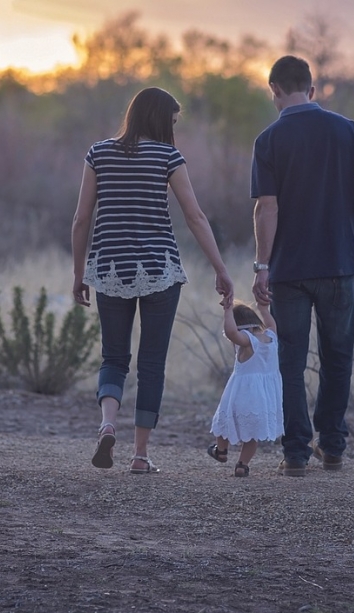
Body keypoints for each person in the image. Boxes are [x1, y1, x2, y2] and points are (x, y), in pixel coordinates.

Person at [71, 87, 234, 474]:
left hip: (109, 268)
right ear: (161, 119)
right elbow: (195, 217)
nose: (174, 129)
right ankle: (140, 455)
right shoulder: (168, 157)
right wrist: (220, 268)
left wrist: (79, 274)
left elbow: (81, 219)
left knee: (113, 357)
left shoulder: (98, 153)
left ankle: (108, 423)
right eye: (173, 121)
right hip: (160, 269)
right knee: (152, 365)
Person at [250, 55, 354, 476]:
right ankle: (333, 446)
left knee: (290, 361)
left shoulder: (268, 139)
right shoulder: (345, 129)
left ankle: (295, 453)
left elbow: (266, 208)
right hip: (338, 265)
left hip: (289, 271)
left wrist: (261, 265)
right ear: (312, 89)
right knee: (338, 356)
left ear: (273, 89)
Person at [207, 301, 284, 477]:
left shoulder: (248, 341)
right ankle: (242, 465)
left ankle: (221, 450)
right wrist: (264, 309)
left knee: (224, 421)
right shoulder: (271, 337)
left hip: (242, 394)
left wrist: (227, 311)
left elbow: (231, 332)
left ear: (241, 327)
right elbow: (271, 323)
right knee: (252, 433)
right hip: (264, 397)